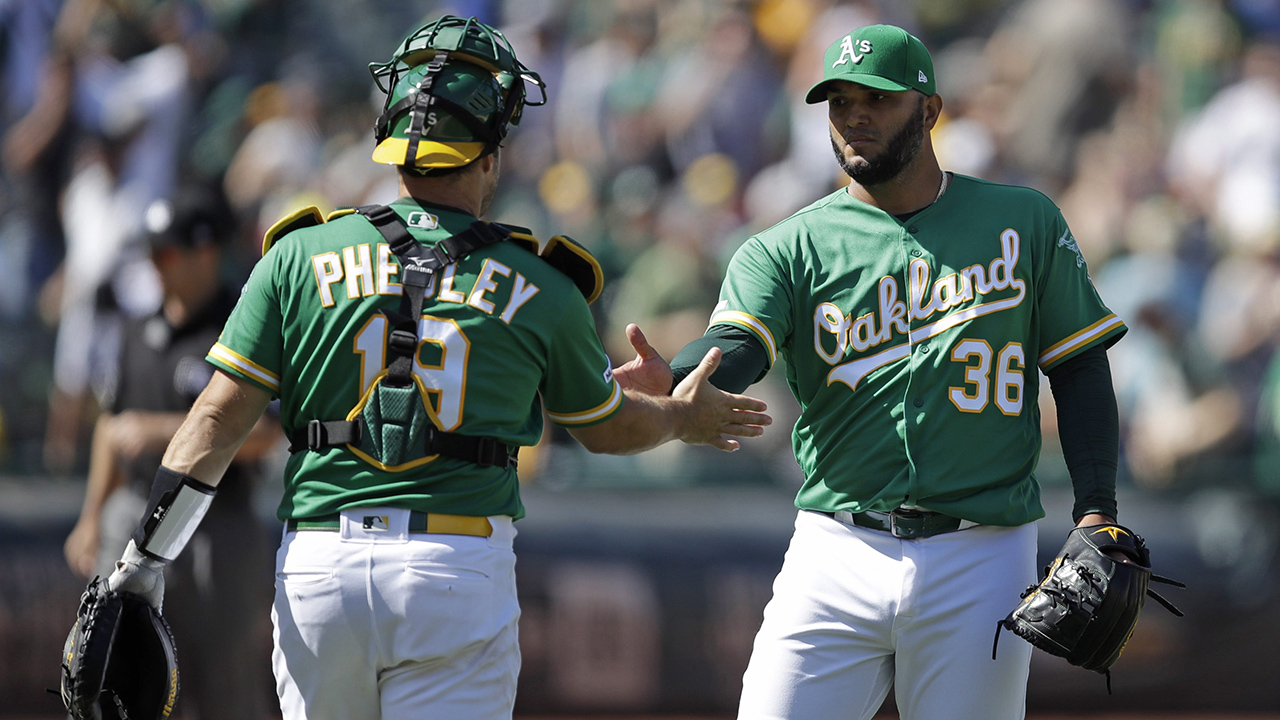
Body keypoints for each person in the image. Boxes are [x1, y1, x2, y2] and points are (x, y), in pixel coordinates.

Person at [98, 15, 770, 720]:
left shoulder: (296, 255)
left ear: (391, 145)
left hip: (320, 566)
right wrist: (678, 417)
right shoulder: (543, 283)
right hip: (453, 563)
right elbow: (606, 431)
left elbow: (214, 422)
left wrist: (144, 560)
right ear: (490, 154)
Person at [611, 24, 1127, 720]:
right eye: (839, 101)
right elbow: (741, 341)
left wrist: (1098, 509)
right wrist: (678, 375)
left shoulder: (1022, 221)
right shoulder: (788, 246)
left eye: (878, 99)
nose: (855, 115)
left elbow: (1080, 366)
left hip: (981, 549)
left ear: (930, 110)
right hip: (836, 546)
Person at [63, 185, 278, 719]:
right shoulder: (136, 329)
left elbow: (265, 435)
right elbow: (112, 432)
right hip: (134, 511)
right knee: (115, 675)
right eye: (152, 255)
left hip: (217, 524)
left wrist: (160, 431)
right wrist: (90, 518)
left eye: (166, 254)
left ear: (206, 252)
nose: (156, 268)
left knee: (225, 681)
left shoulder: (241, 322)